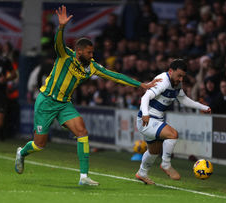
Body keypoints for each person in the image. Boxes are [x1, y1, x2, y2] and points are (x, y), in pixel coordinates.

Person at [15, 5, 159, 186]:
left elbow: (115, 76)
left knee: (82, 131)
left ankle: (84, 177)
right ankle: (21, 153)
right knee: (39, 145)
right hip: (46, 101)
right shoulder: (65, 56)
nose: (92, 55)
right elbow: (57, 43)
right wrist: (61, 28)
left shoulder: (92, 67)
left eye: (93, 52)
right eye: (89, 52)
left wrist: (140, 84)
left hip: (64, 104)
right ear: (79, 51)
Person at [135, 59, 211, 184]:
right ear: (171, 71)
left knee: (154, 151)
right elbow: (145, 97)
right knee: (173, 134)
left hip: (154, 120)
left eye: (183, 77)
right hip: (147, 120)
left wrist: (203, 107)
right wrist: (145, 114)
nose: (181, 79)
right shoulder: (162, 81)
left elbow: (184, 100)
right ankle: (165, 164)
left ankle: (142, 173)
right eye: (179, 75)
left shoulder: (176, 83)